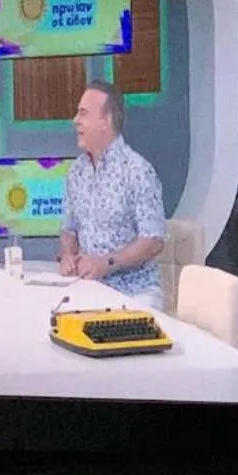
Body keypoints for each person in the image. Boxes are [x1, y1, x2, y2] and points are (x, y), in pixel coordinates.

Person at [59, 81, 168, 309]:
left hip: (135, 292)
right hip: (88, 288)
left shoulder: (138, 171)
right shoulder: (76, 172)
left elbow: (153, 241)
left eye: (83, 113)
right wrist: (68, 255)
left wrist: (107, 263)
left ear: (106, 121)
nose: (75, 120)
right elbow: (69, 230)